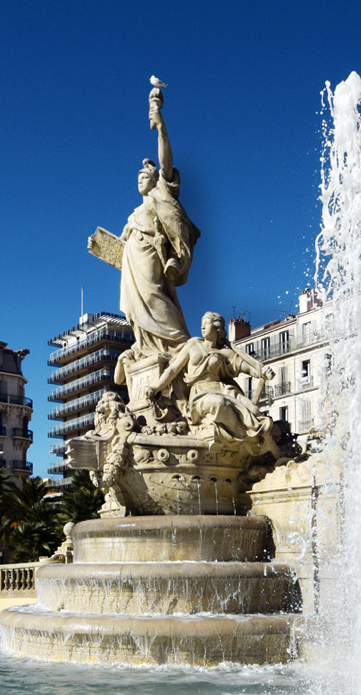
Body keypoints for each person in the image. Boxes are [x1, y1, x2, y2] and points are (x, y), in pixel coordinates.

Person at [96, 84, 200, 355]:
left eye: (146, 175)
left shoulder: (162, 194)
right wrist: (102, 246)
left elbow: (166, 162)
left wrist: (161, 125)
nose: (141, 178)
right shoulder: (133, 215)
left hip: (150, 262)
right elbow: (120, 248)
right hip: (132, 268)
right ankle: (146, 347)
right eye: (139, 177)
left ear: (155, 180)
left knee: (155, 298)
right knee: (134, 307)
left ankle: (180, 343)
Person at [145, 312, 279, 457]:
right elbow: (173, 369)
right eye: (202, 322)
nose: (202, 326)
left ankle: (264, 444)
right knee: (220, 404)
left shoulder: (225, 353)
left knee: (253, 411)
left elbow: (245, 367)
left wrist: (262, 373)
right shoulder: (193, 345)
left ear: (217, 329)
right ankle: (246, 439)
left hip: (224, 390)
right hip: (200, 393)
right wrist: (156, 386)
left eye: (206, 323)